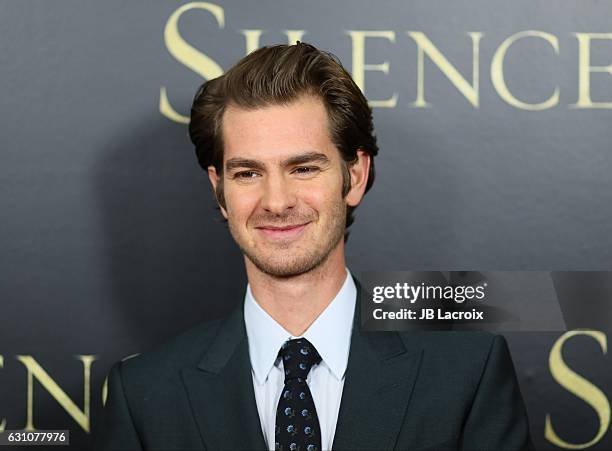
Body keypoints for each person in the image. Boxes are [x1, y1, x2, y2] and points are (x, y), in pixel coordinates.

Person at [99, 42, 531, 450]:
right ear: (219, 189)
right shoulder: (144, 393)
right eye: (248, 173)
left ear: (355, 176)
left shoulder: (466, 373)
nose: (276, 201)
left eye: (303, 168)